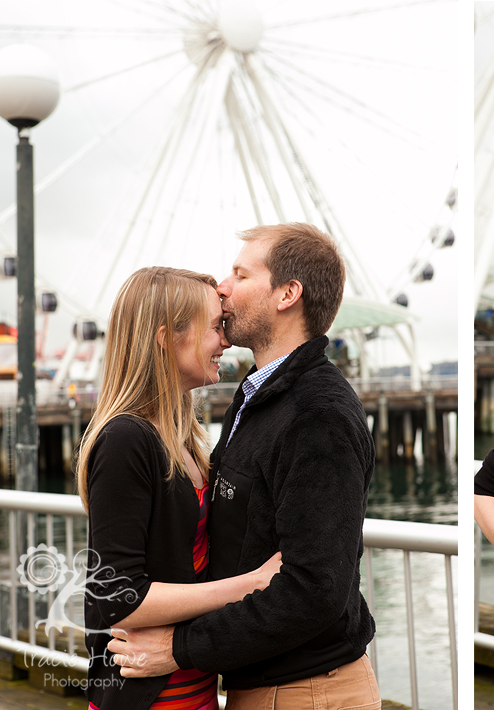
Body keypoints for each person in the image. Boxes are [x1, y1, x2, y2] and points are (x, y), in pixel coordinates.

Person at [107, 223, 381, 710]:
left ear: (287, 294)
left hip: (304, 690)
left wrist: (179, 648)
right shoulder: (261, 394)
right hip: (263, 683)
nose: (221, 287)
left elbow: (315, 588)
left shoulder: (318, 413)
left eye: (240, 274)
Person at [77, 267, 283, 709]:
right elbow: (116, 598)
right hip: (148, 696)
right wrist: (253, 583)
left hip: (192, 687)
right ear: (167, 337)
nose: (225, 341)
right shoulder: (126, 440)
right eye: (214, 327)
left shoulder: (183, 437)